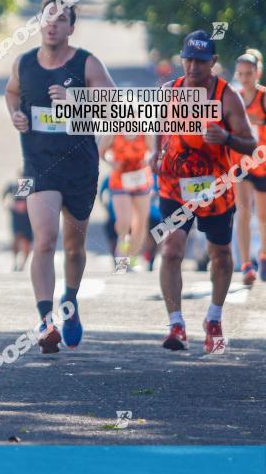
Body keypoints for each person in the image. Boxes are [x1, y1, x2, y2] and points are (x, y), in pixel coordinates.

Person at [5, 0, 116, 353]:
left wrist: (77, 102)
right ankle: (44, 319)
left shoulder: (86, 62)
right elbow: (12, 93)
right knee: (45, 239)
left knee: (73, 248)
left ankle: (70, 301)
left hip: (80, 166)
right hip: (39, 165)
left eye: (60, 19)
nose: (52, 24)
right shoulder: (24, 64)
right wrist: (15, 115)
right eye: (47, 17)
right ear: (40, 23)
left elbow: (112, 103)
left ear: (71, 26)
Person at [153, 30, 256, 352]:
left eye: (200, 61)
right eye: (188, 60)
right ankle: (175, 324)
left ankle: (213, 318)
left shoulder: (226, 96)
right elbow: (157, 128)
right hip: (174, 187)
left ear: (212, 62)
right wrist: (153, 155)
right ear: (181, 59)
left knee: (221, 256)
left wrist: (225, 138)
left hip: (216, 188)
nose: (193, 67)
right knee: (171, 250)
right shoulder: (169, 92)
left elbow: (250, 142)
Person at [232, 49, 266, 285]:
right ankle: (245, 264)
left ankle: (263, 255)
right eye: (241, 74)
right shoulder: (235, 97)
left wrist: (258, 121)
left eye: (249, 73)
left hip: (263, 163)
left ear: (258, 73)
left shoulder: (263, 97)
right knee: (243, 213)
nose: (245, 78)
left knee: (263, 216)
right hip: (241, 162)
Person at [98, 134, 154, 270]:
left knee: (140, 226)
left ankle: (133, 259)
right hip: (120, 181)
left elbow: (154, 151)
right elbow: (101, 152)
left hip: (141, 180)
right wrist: (111, 162)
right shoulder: (113, 132)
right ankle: (122, 259)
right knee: (124, 224)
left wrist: (148, 160)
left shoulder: (145, 131)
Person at [3, 177, 33, 272]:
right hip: (20, 216)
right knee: (18, 238)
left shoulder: (30, 182)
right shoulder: (19, 184)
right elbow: (21, 204)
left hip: (28, 216)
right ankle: (17, 262)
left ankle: (22, 263)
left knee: (26, 241)